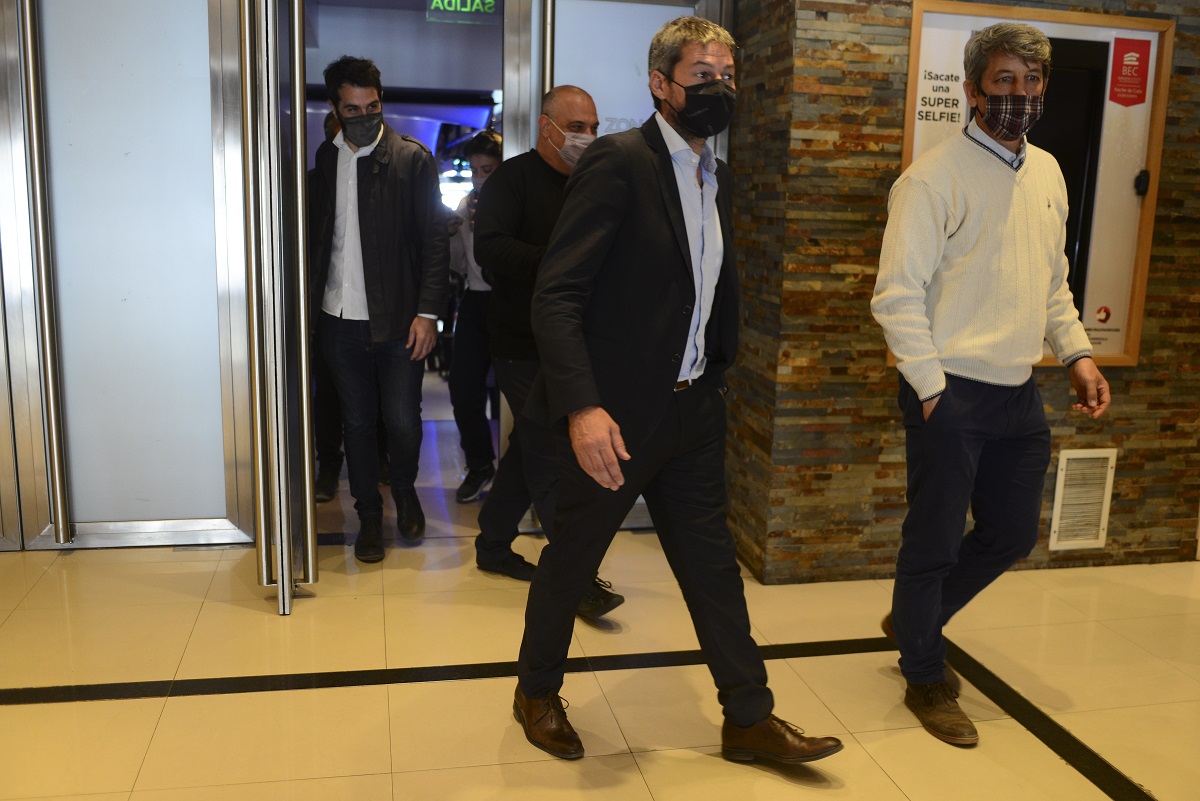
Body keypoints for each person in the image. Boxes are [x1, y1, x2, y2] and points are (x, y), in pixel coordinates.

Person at [510, 17, 844, 766]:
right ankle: (535, 691)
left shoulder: (713, 174)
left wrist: (715, 376)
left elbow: (702, 290)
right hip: (617, 415)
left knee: (711, 565)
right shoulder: (619, 162)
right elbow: (557, 294)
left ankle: (748, 716)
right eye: (702, 75)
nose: (719, 87)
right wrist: (582, 407)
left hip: (693, 407)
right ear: (661, 84)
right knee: (574, 558)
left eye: (727, 74)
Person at [871, 22, 1111, 747]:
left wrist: (1078, 354)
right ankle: (923, 673)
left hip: (1017, 392)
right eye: (1004, 80)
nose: (1020, 94)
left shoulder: (1049, 172)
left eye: (1032, 81)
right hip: (949, 390)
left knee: (1009, 533)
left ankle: (913, 620)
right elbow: (896, 296)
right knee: (934, 543)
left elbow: (1052, 283)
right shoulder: (930, 179)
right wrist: (930, 388)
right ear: (973, 91)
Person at [471, 86, 623, 620]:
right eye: (577, 127)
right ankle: (577, 579)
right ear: (547, 126)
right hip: (521, 342)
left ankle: (492, 545)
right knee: (551, 455)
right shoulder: (512, 179)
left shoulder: (595, 180)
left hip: (575, 342)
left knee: (528, 451)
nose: (587, 136)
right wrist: (560, 262)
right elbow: (489, 249)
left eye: (593, 127)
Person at [308, 55, 448, 563]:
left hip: (399, 322)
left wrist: (428, 312)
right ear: (335, 108)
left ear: (381, 100)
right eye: (353, 109)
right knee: (357, 425)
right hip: (337, 319)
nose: (365, 116)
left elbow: (434, 241)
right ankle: (368, 515)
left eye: (372, 106)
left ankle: (404, 491)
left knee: (404, 422)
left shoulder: (411, 160)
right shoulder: (326, 161)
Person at [448, 130, 503, 503]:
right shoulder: (465, 205)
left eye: (487, 169)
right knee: (463, 389)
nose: (479, 177)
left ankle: (523, 474)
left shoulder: (514, 201)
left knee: (517, 391)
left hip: (511, 301)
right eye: (474, 170)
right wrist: (452, 233)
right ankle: (480, 464)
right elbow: (457, 265)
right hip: (474, 301)